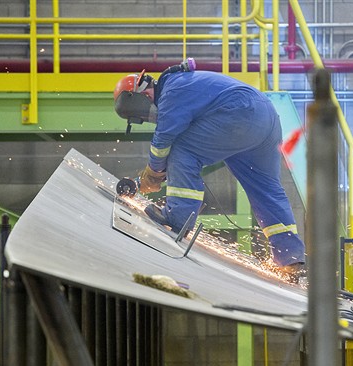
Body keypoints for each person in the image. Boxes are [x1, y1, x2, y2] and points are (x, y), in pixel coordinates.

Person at [113, 59, 306, 280]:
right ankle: (290, 259)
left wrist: (152, 174)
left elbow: (164, 141)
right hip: (266, 117)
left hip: (240, 113)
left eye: (143, 115)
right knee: (266, 189)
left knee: (181, 148)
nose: (148, 118)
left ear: (142, 97)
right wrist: (158, 173)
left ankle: (177, 217)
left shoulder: (172, 90)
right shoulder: (183, 84)